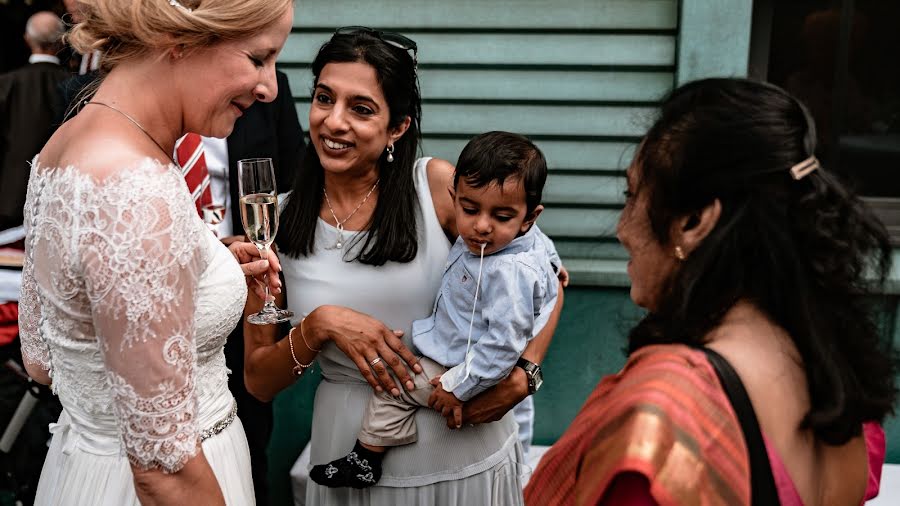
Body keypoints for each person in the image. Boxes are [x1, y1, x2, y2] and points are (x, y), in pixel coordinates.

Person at [524, 78, 896, 505]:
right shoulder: (827, 366)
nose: (622, 229)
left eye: (632, 196)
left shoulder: (667, 422)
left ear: (694, 222)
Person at [243, 28, 566, 505]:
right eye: (324, 98)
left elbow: (549, 282)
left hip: (460, 454)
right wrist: (319, 326)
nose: (333, 122)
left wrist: (524, 375)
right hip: (343, 457)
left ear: (398, 127)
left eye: (361, 108)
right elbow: (258, 382)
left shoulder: (436, 188)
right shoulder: (276, 223)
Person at [17, 0, 293, 504]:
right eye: (258, 58)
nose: (270, 86)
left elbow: (41, 357)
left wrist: (196, 269)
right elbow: (166, 472)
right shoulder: (135, 189)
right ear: (181, 40)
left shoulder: (64, 146)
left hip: (85, 469)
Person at [308, 131, 563, 489]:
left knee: (396, 386)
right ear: (454, 196)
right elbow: (542, 244)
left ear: (529, 218)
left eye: (501, 216)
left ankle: (366, 457)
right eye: (470, 209)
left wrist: (457, 387)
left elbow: (504, 344)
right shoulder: (522, 241)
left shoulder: (510, 272)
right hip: (457, 351)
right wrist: (553, 264)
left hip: (463, 364)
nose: (482, 226)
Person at [0, 11, 68, 231]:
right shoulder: (75, 84)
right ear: (61, 42)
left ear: (27, 40)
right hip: (58, 194)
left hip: (10, 194)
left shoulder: (7, 83)